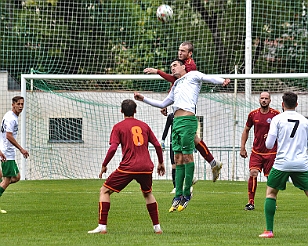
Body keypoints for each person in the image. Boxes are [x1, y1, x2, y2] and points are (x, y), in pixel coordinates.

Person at [135, 59, 230, 212]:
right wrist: (143, 99)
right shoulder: (176, 85)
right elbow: (163, 103)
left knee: (187, 157)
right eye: (170, 66)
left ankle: (187, 194)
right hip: (176, 122)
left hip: (187, 120)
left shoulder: (192, 75)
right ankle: (178, 194)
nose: (172, 68)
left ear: (183, 66)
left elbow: (207, 77)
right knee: (177, 159)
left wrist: (222, 81)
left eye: (174, 65)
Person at [144, 41, 224, 182]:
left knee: (187, 148)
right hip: (180, 111)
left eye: (183, 51)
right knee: (192, 141)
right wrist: (167, 101)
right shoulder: (181, 66)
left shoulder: (190, 67)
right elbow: (176, 84)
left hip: (187, 110)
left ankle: (191, 177)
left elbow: (175, 80)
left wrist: (158, 72)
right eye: (179, 50)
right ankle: (212, 164)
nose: (180, 53)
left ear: (190, 53)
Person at [88, 99, 165, 234]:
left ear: (121, 111)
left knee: (104, 191)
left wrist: (104, 165)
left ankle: (102, 226)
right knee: (148, 194)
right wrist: (160, 163)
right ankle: (157, 227)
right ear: (135, 111)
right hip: (146, 167)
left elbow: (113, 148)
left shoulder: (118, 127)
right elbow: (158, 145)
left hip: (128, 167)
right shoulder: (144, 126)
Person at [259, 91, 308, 238]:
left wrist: (271, 137)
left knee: (271, 193)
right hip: (301, 163)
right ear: (297, 104)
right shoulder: (305, 121)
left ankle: (269, 231)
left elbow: (268, 145)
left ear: (282, 104)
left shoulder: (277, 119)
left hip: (282, 163)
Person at [240, 92, 280, 211]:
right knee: (253, 173)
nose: (264, 100)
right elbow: (246, 130)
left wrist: (273, 135)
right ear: (259, 100)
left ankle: (272, 201)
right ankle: (251, 202)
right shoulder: (253, 114)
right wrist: (242, 147)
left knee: (271, 178)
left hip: (271, 152)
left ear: (270, 100)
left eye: (266, 98)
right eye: (262, 98)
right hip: (256, 152)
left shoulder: (276, 115)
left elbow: (283, 131)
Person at [0, 96, 29, 214]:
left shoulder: (8, 115)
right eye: (18, 104)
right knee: (6, 181)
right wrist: (21, 149)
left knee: (16, 177)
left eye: (22, 104)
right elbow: (8, 136)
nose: (21, 106)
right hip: (7, 153)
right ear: (13, 104)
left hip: (6, 152)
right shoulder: (12, 119)